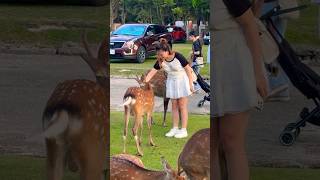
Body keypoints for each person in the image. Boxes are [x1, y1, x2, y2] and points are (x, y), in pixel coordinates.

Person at [211, 0, 268, 180]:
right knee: (210, 145)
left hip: (234, 64)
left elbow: (250, 24)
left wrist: (257, 73)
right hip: (211, 66)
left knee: (231, 140)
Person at [145, 39, 195, 139]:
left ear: (167, 50)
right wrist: (144, 82)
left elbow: (188, 70)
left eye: (161, 53)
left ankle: (183, 130)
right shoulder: (160, 60)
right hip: (171, 81)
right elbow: (152, 72)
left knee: (182, 105)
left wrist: (190, 84)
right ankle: (175, 128)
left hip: (182, 80)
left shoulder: (178, 56)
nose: (160, 56)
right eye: (158, 54)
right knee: (174, 106)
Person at [253, 0, 291, 102]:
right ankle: (278, 84)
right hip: (279, 5)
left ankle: (277, 83)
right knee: (274, 49)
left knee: (267, 50)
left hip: (268, 5)